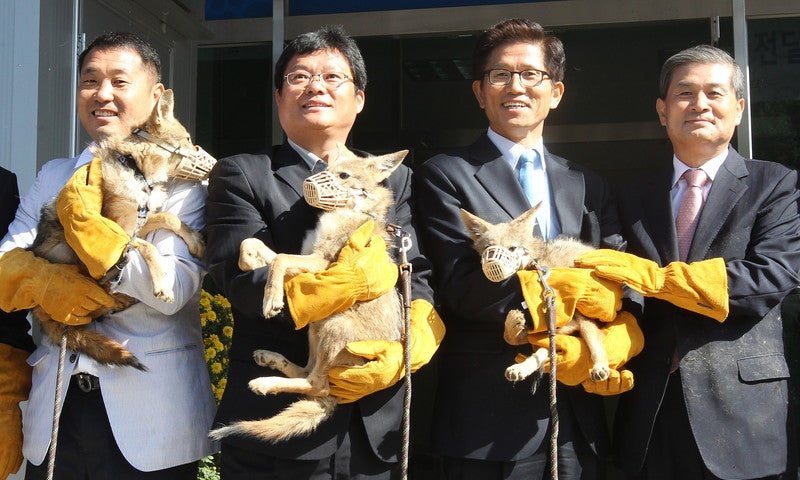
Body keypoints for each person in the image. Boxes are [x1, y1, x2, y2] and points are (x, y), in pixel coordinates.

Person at [203, 25, 443, 479]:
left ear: (359, 98)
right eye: (299, 77)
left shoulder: (396, 179)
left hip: (379, 422)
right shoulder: (244, 174)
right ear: (278, 98)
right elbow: (239, 280)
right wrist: (339, 285)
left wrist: (412, 344)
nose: (316, 86)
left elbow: (419, 273)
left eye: (333, 77)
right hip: (278, 433)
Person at [413, 18, 640, 479]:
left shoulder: (587, 183)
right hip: (488, 417)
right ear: (479, 92)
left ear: (555, 92)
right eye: (500, 74)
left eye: (530, 74)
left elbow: (620, 268)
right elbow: (461, 288)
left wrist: (624, 319)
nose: (515, 86)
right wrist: (567, 295)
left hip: (579, 411)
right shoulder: (445, 175)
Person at [575, 44, 800, 479]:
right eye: (685, 93)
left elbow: (773, 276)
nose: (699, 104)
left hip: (742, 414)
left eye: (714, 93)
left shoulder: (774, 184)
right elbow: (616, 283)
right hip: (651, 409)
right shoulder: (631, 194)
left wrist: (659, 281)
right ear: (662, 111)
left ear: (738, 109)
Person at [0, 32, 216, 479]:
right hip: (55, 410)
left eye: (120, 81)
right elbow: (8, 259)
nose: (102, 95)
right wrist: (46, 282)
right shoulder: (54, 174)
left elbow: (172, 290)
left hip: (153, 420)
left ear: (157, 96)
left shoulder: (186, 182)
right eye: (90, 80)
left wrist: (103, 252)